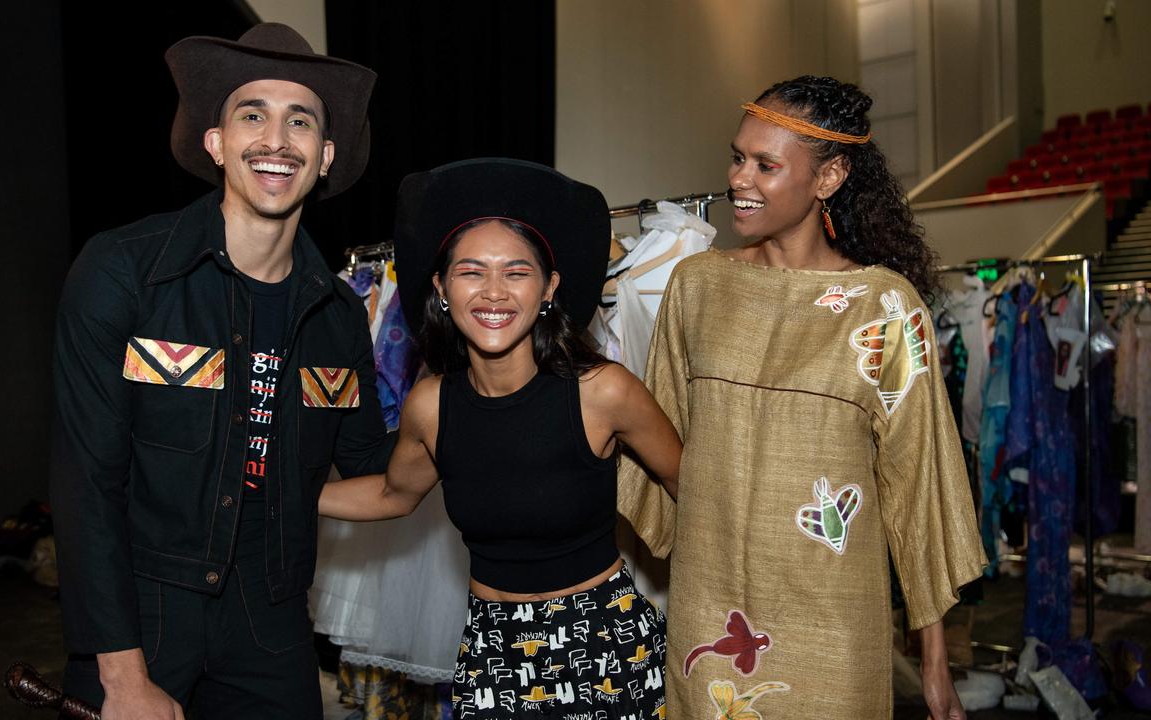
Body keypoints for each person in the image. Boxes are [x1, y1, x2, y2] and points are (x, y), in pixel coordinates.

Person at [49, 24, 392, 718]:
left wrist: (470, 397)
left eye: (300, 121)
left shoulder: (338, 317)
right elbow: (87, 483)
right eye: (252, 115)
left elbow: (373, 471)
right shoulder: (125, 271)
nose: (276, 139)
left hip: (271, 621)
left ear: (323, 156)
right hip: (143, 613)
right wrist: (122, 677)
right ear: (216, 142)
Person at [618, 76, 987, 719]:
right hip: (711, 609)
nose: (739, 179)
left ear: (829, 176)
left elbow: (918, 484)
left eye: (766, 165)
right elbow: (662, 439)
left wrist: (935, 667)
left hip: (833, 622)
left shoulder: (884, 309)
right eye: (738, 157)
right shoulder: (696, 285)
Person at [319, 158, 683, 719]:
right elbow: (393, 495)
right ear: (441, 287)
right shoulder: (431, 404)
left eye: (516, 272)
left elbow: (693, 488)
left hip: (606, 646)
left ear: (548, 289)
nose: (494, 293)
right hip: (493, 649)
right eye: (471, 272)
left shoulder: (603, 392)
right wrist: (285, 492)